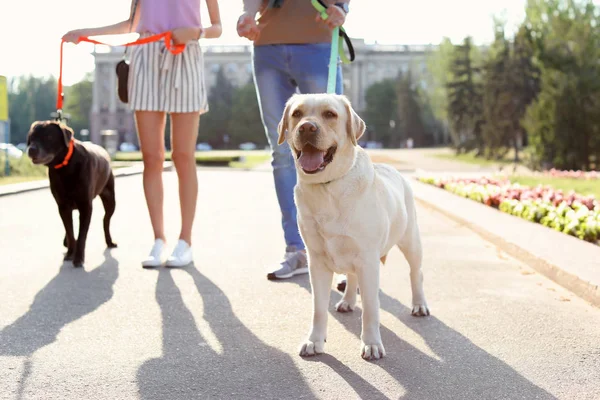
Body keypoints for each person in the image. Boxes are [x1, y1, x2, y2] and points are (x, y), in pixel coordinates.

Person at [62, 0, 222, 268]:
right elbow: (131, 24)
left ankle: (185, 241)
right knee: (152, 158)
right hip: (145, 57)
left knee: (183, 155)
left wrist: (196, 32)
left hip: (186, 54)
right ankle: (159, 240)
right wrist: (83, 32)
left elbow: (218, 27)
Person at [237, 0, 351, 280]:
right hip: (267, 47)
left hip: (318, 44)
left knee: (337, 149)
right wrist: (247, 14)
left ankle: (347, 255)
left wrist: (342, 7)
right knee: (282, 153)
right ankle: (296, 249)